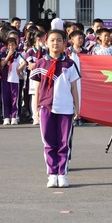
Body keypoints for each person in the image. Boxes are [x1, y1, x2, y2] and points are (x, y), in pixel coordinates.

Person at [31, 29, 80, 188]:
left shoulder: (69, 64)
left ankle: (62, 173)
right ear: (46, 43)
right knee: (49, 142)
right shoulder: (40, 63)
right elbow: (37, 89)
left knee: (63, 142)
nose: (55, 43)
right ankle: (52, 174)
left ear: (64, 43)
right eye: (52, 40)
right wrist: (35, 110)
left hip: (65, 108)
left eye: (59, 40)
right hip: (46, 107)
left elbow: (74, 88)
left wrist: (77, 107)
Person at [0, 37, 27, 125]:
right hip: (5, 79)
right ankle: (6, 117)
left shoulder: (18, 55)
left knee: (15, 99)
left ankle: (14, 116)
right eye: (9, 45)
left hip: (15, 79)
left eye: (13, 45)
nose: (11, 47)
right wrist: (8, 56)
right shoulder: (3, 54)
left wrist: (19, 69)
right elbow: (2, 64)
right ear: (7, 46)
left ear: (16, 45)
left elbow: (24, 62)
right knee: (5, 98)